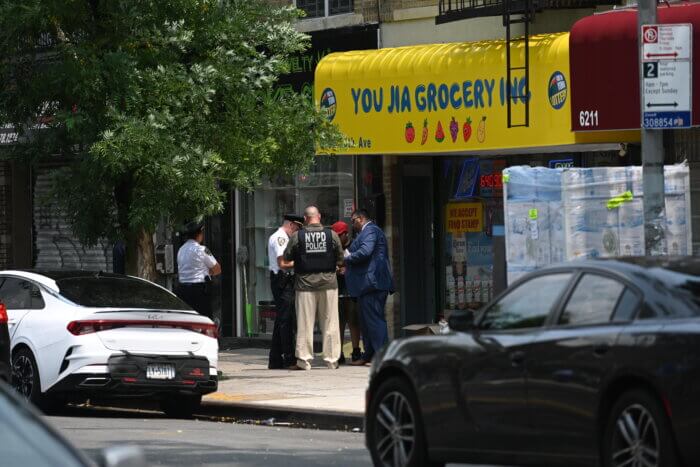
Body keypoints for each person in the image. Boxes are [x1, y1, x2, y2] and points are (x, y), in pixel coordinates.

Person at [281, 205, 344, 370]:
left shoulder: (297, 236)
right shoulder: (332, 235)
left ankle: (304, 360)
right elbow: (340, 258)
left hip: (305, 285)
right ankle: (331, 360)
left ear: (305, 218)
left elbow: (287, 256)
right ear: (320, 216)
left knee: (305, 324)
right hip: (329, 284)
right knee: (330, 323)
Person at [344, 209, 394, 366]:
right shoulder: (366, 232)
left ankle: (382, 357)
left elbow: (365, 251)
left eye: (353, 221)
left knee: (375, 320)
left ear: (360, 219)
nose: (352, 224)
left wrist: (348, 257)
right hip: (365, 285)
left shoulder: (371, 230)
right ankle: (369, 355)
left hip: (373, 283)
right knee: (366, 322)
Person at [267, 214, 304, 370]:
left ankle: (275, 359)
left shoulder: (283, 237)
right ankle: (289, 358)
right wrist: (303, 261)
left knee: (281, 320)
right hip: (282, 280)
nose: (298, 231)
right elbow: (282, 263)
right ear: (291, 225)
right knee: (286, 320)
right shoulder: (280, 238)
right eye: (298, 228)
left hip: (284, 280)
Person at [331, 221, 362, 365]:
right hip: (337, 287)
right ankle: (339, 352)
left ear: (345, 234)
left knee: (354, 320)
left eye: (338, 236)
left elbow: (360, 262)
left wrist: (347, 270)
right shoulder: (331, 247)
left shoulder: (354, 245)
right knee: (339, 322)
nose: (336, 238)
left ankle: (356, 350)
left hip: (351, 288)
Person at [176, 220, 221, 319]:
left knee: (187, 320)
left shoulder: (181, 250)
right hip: (199, 290)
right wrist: (207, 271)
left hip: (182, 291)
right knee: (204, 320)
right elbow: (217, 269)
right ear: (199, 234)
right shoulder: (202, 249)